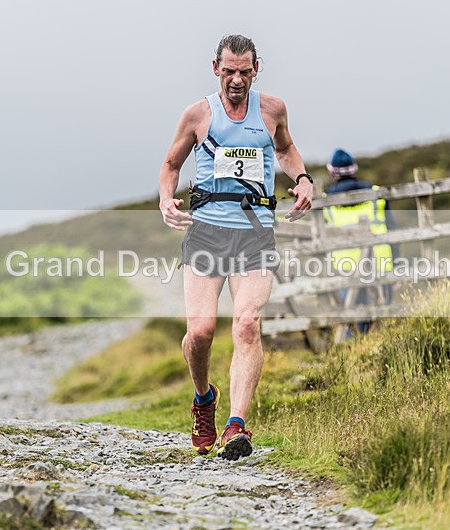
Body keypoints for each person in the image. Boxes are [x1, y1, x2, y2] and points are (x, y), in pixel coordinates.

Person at [158, 34, 312, 460]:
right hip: (207, 231)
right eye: (229, 72)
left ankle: (236, 425)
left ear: (256, 69)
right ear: (216, 69)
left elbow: (286, 149)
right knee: (201, 332)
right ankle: (204, 400)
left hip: (254, 230)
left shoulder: (272, 109)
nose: (237, 80)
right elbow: (171, 164)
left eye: (245, 72)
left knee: (246, 325)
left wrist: (302, 179)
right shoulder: (197, 114)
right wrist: (165, 199)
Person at [323, 148, 398, 334]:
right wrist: (396, 266)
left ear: (332, 172)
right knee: (382, 321)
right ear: (354, 169)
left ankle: (353, 355)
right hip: (380, 265)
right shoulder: (376, 194)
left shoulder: (324, 202)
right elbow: (393, 232)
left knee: (352, 322)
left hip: (344, 268)